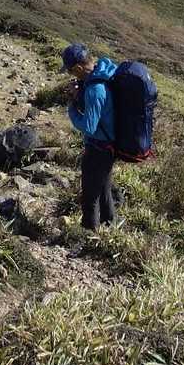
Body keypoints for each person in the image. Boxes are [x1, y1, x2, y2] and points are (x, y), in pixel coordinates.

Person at [62, 41, 119, 231]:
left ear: (79, 67)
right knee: (103, 189)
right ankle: (109, 225)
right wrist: (79, 95)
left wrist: (71, 106)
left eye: (70, 70)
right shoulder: (101, 74)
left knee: (89, 196)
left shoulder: (95, 89)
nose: (70, 74)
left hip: (98, 148)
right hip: (109, 145)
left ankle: (87, 233)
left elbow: (89, 127)